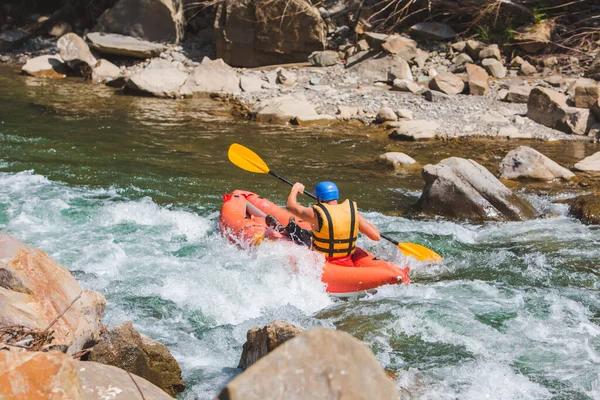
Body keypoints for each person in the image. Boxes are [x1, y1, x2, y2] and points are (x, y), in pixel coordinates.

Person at [284, 181, 380, 262]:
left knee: (298, 233)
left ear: (319, 199)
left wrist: (295, 189)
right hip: (347, 259)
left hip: (324, 261)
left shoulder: (315, 214)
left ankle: (289, 228)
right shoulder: (352, 212)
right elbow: (376, 237)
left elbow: (290, 206)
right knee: (313, 233)